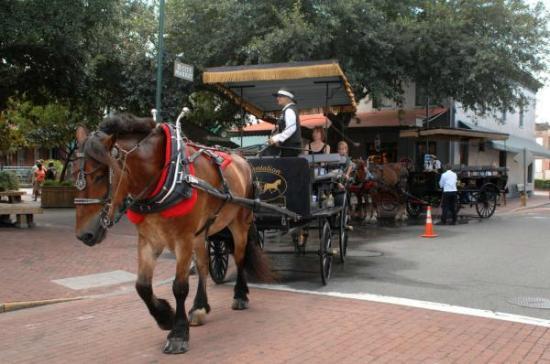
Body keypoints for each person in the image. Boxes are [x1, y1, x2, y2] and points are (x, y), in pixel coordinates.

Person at [266, 89, 302, 157]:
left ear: (288, 98)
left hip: (290, 148)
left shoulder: (289, 110)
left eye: (280, 96)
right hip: (289, 147)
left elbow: (291, 128)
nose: (277, 98)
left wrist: (276, 138)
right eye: (277, 96)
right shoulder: (288, 109)